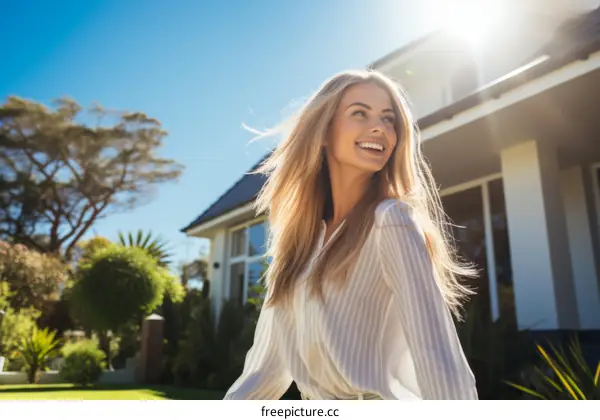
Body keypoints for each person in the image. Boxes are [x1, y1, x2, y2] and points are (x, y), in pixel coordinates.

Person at [223, 69, 479, 400]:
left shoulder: (392, 222)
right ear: (325, 131)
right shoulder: (297, 244)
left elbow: (439, 360)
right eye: (360, 113)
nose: (379, 128)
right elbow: (266, 371)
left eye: (389, 120)